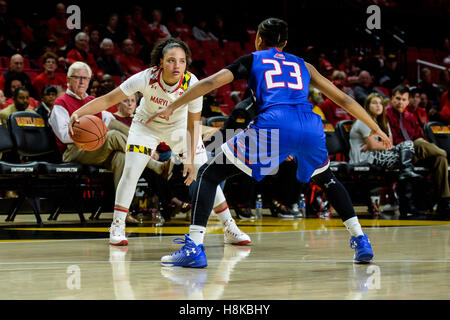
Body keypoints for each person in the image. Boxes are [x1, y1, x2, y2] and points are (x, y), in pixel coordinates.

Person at [152, 18, 392, 268]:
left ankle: (194, 246)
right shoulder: (304, 65)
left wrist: (173, 105)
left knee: (209, 174)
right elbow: (343, 98)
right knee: (327, 179)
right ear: (285, 43)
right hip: (310, 125)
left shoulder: (252, 59)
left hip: (274, 124)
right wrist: (376, 127)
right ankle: (361, 239)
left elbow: (211, 83)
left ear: (258, 39)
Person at [68, 38, 251, 247]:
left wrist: (189, 160)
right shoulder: (145, 77)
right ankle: (117, 225)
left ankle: (229, 226)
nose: (177, 66)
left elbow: (193, 125)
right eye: (171, 60)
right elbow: (109, 99)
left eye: (182, 61)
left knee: (205, 173)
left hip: (180, 128)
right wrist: (79, 112)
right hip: (146, 126)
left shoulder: (193, 83)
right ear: (161, 62)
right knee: (131, 171)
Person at [49, 61, 170, 196]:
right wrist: (91, 133)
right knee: (112, 136)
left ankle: (122, 211)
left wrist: (140, 141)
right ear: (68, 79)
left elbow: (113, 123)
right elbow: (64, 136)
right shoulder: (61, 103)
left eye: (85, 78)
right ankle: (155, 165)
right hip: (73, 152)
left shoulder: (91, 101)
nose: (82, 82)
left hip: (95, 150)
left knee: (121, 157)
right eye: (77, 77)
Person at [349, 93, 422, 217]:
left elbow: (389, 143)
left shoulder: (383, 122)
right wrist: (377, 144)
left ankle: (406, 178)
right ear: (367, 106)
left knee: (408, 144)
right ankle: (407, 206)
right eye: (374, 103)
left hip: (379, 155)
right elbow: (374, 146)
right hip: (366, 158)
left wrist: (378, 144)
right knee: (406, 162)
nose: (378, 106)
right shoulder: (364, 121)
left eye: (380, 103)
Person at [385, 85, 450, 217]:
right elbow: (390, 140)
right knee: (419, 143)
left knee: (439, 159)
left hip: (415, 152)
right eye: (397, 98)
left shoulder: (410, 116)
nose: (400, 102)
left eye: (404, 99)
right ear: (392, 99)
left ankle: (444, 201)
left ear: (408, 101)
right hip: (399, 153)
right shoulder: (386, 115)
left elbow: (418, 136)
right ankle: (445, 153)